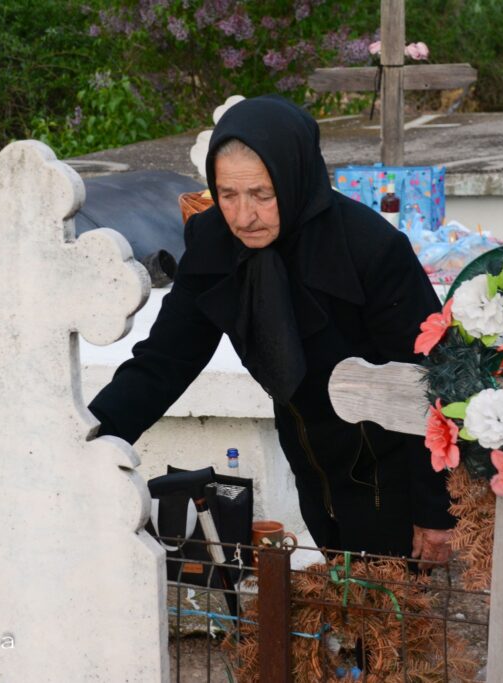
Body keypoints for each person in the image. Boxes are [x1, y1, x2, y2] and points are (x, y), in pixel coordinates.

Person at [89, 95, 455, 564]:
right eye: (228, 195)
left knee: (388, 618)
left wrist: (435, 508)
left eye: (262, 194)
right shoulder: (214, 242)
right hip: (308, 455)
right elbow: (164, 361)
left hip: (388, 464)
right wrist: (90, 443)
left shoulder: (371, 249)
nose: (244, 216)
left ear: (294, 176)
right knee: (342, 592)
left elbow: (433, 379)